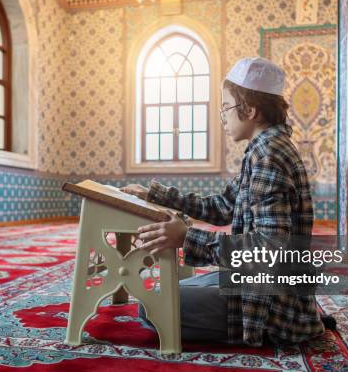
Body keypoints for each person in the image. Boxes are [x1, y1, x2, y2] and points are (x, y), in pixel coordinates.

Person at [121, 57, 333, 347]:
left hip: (268, 304)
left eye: (225, 107)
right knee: (165, 292)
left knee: (152, 306)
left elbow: (268, 248)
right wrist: (155, 195)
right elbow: (220, 207)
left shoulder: (268, 156)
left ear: (251, 110)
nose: (222, 117)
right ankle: (302, 317)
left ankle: (287, 326)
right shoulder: (263, 148)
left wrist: (186, 238)